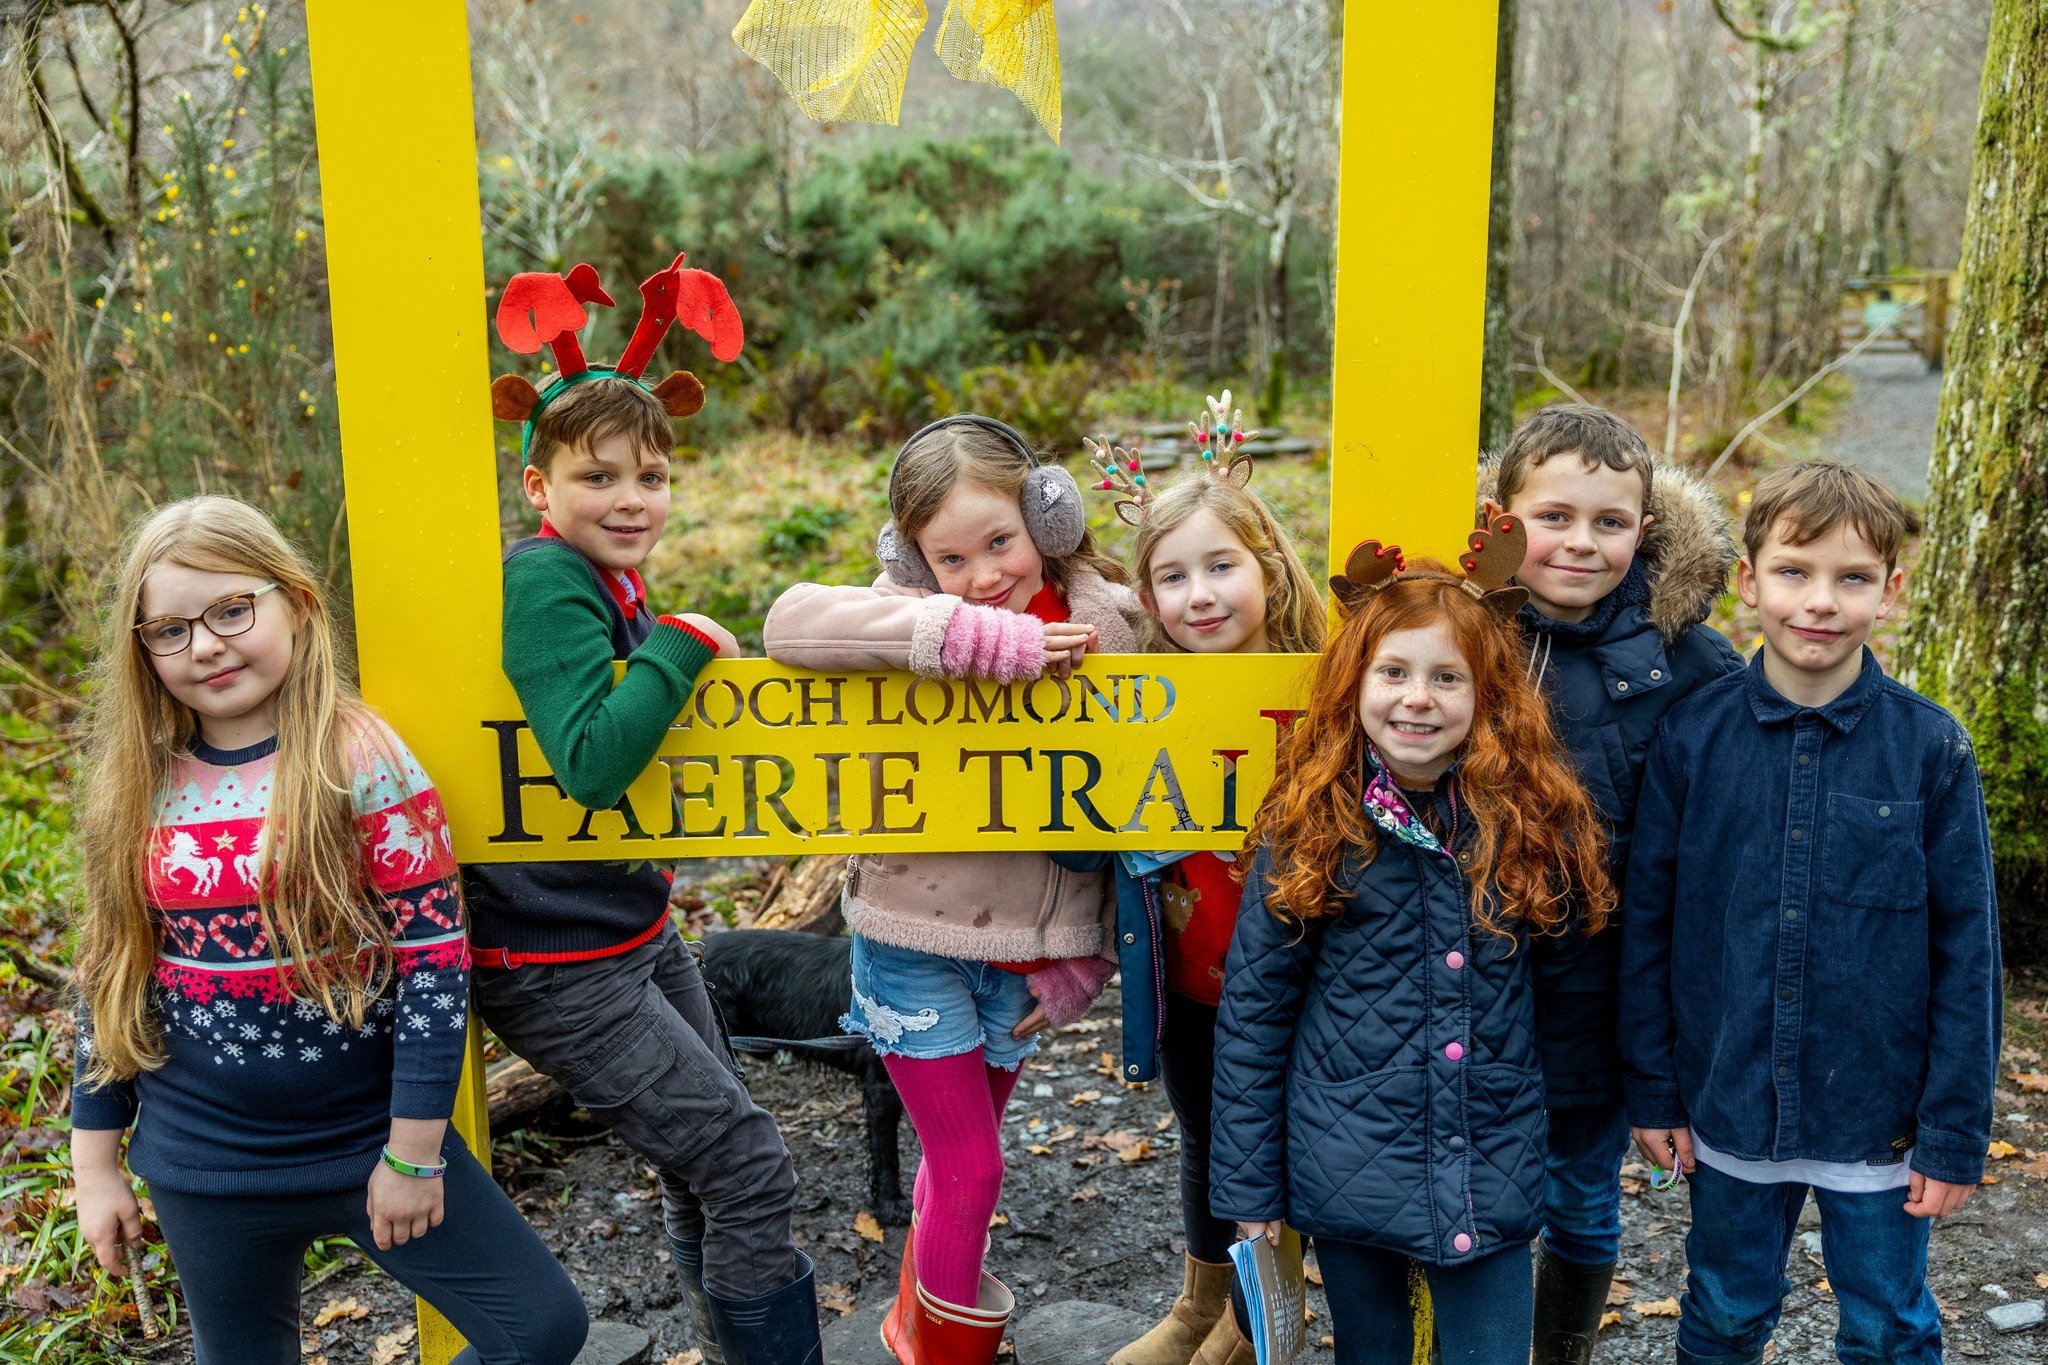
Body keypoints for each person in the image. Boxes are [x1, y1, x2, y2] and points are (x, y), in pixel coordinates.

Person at [68, 496, 588, 1365]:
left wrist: (414, 1151)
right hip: (205, 1163)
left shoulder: (361, 760)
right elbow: (112, 977)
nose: (205, 643)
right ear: (142, 648)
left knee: (539, 1324)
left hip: (367, 1144)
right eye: (169, 629)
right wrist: (95, 1166)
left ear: (297, 604)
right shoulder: (137, 787)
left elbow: (432, 960)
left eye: (233, 609)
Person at [465, 257, 822, 1365]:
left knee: (699, 1166)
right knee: (749, 1165)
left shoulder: (609, 576)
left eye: (652, 478)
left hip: (629, 922)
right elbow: (589, 759)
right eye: (599, 478)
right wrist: (684, 644)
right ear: (540, 488)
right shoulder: (544, 579)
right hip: (551, 953)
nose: (632, 501)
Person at [762, 415, 1145, 1365]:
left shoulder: (1113, 619)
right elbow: (787, 622)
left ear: (1046, 517)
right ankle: (942, 1353)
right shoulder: (916, 615)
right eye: (950, 558)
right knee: (974, 1168)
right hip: (911, 942)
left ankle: (912, 1326)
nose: (982, 573)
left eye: (1000, 542)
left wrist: (1080, 960)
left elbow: (1133, 810)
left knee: (951, 1165)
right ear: (913, 558)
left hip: (1021, 965)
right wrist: (970, 634)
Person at [1619, 460, 2001, 1365]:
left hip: (1878, 1115)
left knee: (1887, 1324)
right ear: (1749, 581)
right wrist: (1654, 1089)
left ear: (1891, 592)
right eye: (1794, 571)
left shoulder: (1931, 749)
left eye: (1852, 577)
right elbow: (1649, 928)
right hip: (1730, 1100)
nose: (1820, 601)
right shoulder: (1693, 736)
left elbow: (1969, 951)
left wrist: (1954, 1133)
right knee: (1721, 1309)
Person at [1209, 522, 1614, 1365]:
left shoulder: (1530, 824)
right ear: (1356, 684)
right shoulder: (1312, 825)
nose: (1416, 698)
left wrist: (1573, 1126)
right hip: (1346, 1162)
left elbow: (1570, 993)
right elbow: (1255, 1012)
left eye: (1446, 677)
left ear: (1489, 694)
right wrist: (1251, 1189)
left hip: (1490, 1161)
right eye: (1393, 672)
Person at [1477, 404, 1742, 1364]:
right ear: (1503, 518)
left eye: (1611, 523)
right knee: (1479, 1190)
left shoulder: (1695, 666)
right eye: (1555, 516)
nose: (1581, 543)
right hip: (1475, 982)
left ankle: (1563, 1348)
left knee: (1580, 1190)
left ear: (1647, 529)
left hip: (1607, 992)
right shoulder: (1464, 637)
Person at [1074, 405, 1326, 1365]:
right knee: (1205, 1132)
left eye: (1221, 566)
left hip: (1296, 983)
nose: (1199, 594)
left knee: (1275, 1139)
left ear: (1269, 567)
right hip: (1188, 972)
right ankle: (1197, 1300)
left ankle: (1258, 1316)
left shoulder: (1321, 697)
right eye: (1171, 577)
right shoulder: (1139, 703)